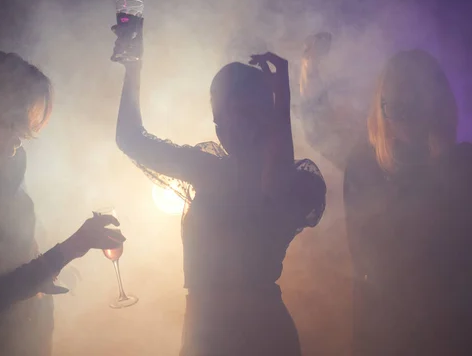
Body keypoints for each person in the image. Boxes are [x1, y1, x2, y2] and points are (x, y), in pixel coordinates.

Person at [113, 25, 327, 354]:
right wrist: (134, 66)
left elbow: (274, 188)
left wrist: (281, 97)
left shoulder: (297, 182)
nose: (222, 127)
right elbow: (130, 139)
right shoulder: (209, 169)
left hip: (260, 336)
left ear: (263, 116)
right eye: (217, 117)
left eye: (235, 113)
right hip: (204, 333)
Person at [0, 51, 126, 356]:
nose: (19, 139)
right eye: (10, 123)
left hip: (34, 336)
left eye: (23, 126)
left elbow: (15, 245)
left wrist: (52, 270)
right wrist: (69, 249)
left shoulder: (8, 161)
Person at [299, 36, 472, 355]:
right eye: (397, 106)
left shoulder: (465, 167)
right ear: (382, 108)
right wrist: (310, 65)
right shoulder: (366, 164)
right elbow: (320, 127)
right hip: (380, 330)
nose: (407, 117)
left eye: (417, 103)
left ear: (438, 104)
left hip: (450, 331)